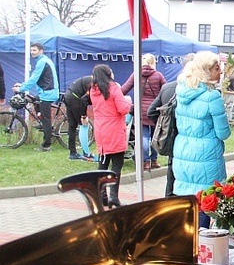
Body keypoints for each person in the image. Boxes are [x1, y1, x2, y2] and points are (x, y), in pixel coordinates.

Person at [172, 51, 230, 228]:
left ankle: (186, 246)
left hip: (183, 151)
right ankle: (201, 251)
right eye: (216, 68)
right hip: (206, 156)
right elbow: (224, 133)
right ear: (206, 71)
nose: (220, 72)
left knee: (188, 205)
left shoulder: (183, 92)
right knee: (205, 205)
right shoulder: (212, 97)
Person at [147, 53, 195, 196]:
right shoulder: (199, 92)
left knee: (172, 179)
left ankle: (169, 210)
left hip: (173, 141)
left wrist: (165, 128)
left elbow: (151, 112)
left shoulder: (168, 88)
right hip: (192, 144)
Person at [90, 64, 132, 208]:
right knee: (116, 164)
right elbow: (123, 108)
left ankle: (102, 195)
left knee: (103, 162)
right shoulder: (114, 89)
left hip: (101, 129)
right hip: (114, 128)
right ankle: (114, 196)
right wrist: (128, 102)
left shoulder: (93, 90)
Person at [122, 53, 167, 171]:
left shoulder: (136, 75)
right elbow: (166, 90)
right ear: (153, 63)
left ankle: (145, 162)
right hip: (155, 111)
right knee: (155, 137)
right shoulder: (158, 75)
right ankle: (154, 160)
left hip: (140, 111)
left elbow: (124, 90)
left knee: (143, 137)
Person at [15, 42, 59, 152]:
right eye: (31, 50)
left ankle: (46, 145)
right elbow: (35, 78)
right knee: (35, 100)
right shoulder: (44, 60)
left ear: (41, 51)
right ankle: (42, 121)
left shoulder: (42, 62)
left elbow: (34, 78)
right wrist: (23, 85)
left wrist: (21, 89)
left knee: (46, 119)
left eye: (34, 50)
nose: (32, 52)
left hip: (47, 93)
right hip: (46, 91)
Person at [64, 75, 95, 161]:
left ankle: (72, 153)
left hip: (68, 95)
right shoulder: (95, 83)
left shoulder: (92, 79)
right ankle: (86, 154)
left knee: (72, 125)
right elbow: (84, 100)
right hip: (75, 98)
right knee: (84, 125)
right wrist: (83, 116)